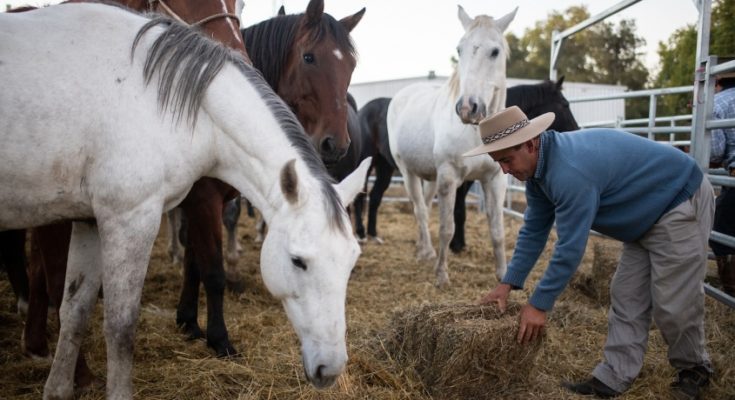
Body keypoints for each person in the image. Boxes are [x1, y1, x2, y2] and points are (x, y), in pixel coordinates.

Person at [464, 106, 715, 399]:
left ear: (531, 144)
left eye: (507, 160)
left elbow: (570, 247)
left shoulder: (569, 170)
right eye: (498, 162)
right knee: (626, 294)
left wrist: (539, 305)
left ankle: (695, 368)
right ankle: (614, 376)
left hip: (676, 201)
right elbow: (534, 231)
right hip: (644, 215)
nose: (505, 170)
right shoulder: (538, 173)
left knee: (673, 300)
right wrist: (508, 283)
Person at [709, 63, 735, 296]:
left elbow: (715, 152)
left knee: (720, 231)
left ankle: (731, 290)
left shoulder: (718, 103)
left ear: (718, 83)